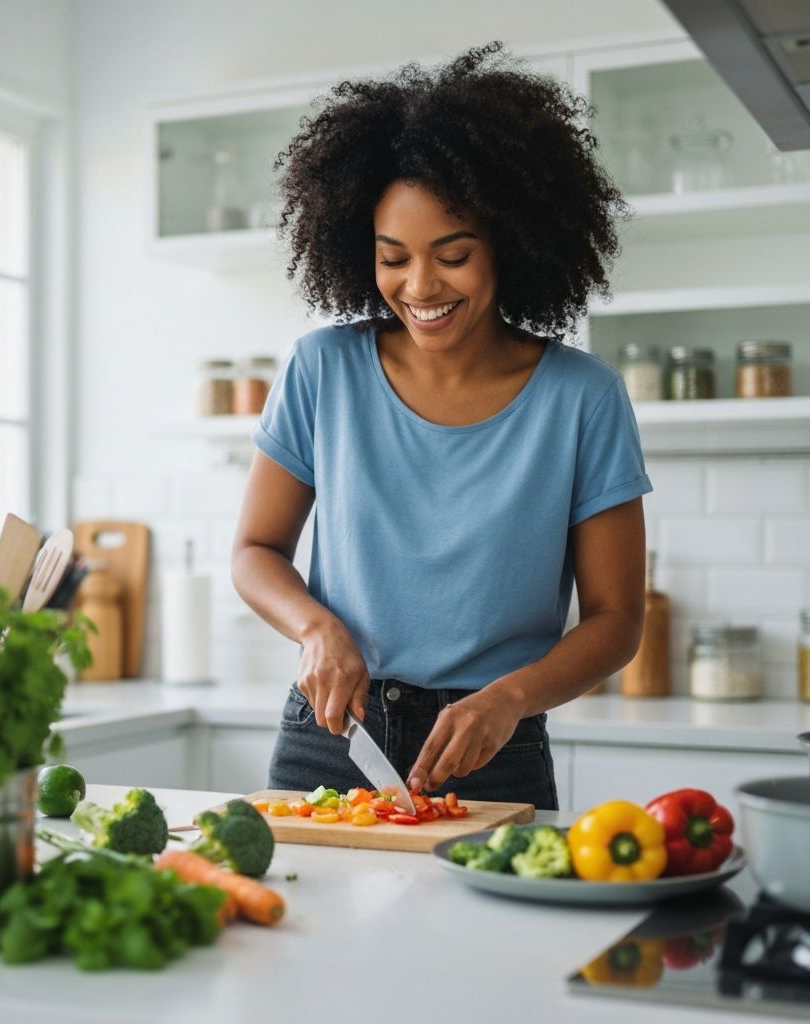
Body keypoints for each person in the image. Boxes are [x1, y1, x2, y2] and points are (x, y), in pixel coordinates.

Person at [230, 44, 650, 809]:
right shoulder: (322, 370)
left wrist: (512, 698)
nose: (419, 288)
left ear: (512, 245)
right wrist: (316, 629)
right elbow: (255, 552)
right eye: (394, 259)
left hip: (494, 742)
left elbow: (617, 620)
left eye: (451, 256)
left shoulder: (583, 398)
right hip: (330, 731)